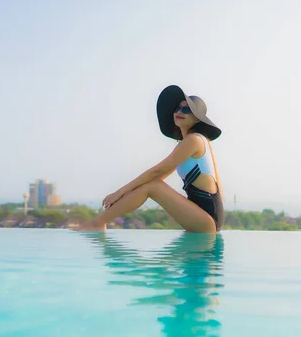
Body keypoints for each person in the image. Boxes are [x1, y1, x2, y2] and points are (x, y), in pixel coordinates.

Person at [74, 85, 224, 233]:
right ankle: (99, 222)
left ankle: (98, 223)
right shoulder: (189, 143)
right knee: (151, 184)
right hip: (202, 216)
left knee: (152, 186)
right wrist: (125, 195)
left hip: (207, 219)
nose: (179, 112)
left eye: (187, 109)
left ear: (197, 119)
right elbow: (159, 176)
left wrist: (119, 193)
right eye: (177, 108)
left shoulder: (194, 141)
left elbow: (156, 172)